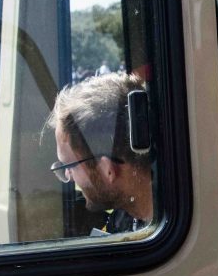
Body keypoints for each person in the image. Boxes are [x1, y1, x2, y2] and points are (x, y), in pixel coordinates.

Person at [44, 71, 153, 235]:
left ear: (107, 169)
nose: (68, 176)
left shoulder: (165, 233)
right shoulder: (125, 219)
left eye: (70, 166)